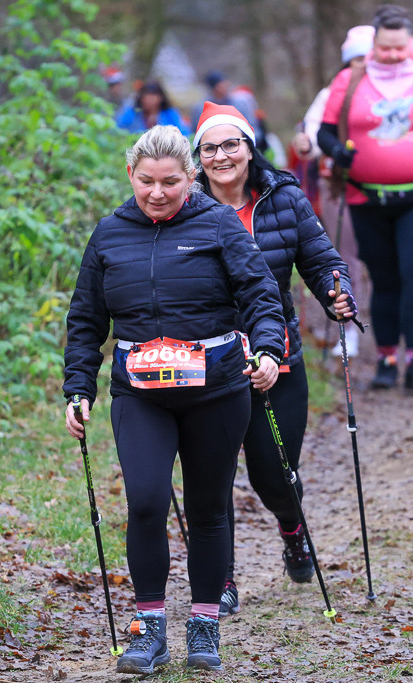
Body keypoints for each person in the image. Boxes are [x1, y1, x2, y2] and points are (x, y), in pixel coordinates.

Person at [63, 126, 285, 674]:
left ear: (192, 177)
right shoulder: (110, 234)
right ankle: (150, 628)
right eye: (146, 182)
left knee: (208, 507)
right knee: (144, 500)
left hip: (216, 390)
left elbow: (260, 295)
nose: (157, 193)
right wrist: (77, 387)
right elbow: (87, 319)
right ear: (131, 178)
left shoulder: (217, 225)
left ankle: (205, 624)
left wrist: (267, 351)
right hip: (141, 394)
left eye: (170, 182)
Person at [192, 102, 356, 617]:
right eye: (210, 148)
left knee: (274, 474)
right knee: (212, 476)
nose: (222, 156)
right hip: (208, 361)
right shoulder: (182, 204)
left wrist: (337, 294)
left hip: (275, 357)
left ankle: (293, 529)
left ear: (249, 146)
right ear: (197, 158)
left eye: (231, 145)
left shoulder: (283, 197)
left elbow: (322, 260)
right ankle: (220, 579)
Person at [318, 4, 413, 390]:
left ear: (410, 42)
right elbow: (325, 133)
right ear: (374, 44)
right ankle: (386, 359)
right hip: (367, 198)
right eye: (386, 48)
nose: (394, 55)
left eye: (400, 47)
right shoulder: (351, 80)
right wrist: (338, 153)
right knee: (384, 280)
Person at [292, 25, 375, 358]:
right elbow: (311, 133)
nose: (362, 65)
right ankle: (349, 325)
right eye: (355, 59)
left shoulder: (392, 91)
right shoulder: (330, 94)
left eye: (367, 58)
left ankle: (392, 331)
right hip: (337, 184)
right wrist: (306, 143)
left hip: (383, 186)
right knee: (345, 256)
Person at [116, 80, 190, 135]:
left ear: (161, 98)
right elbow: (118, 129)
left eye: (153, 96)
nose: (149, 100)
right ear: (141, 98)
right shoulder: (133, 113)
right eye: (146, 96)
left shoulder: (170, 114)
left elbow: (183, 134)